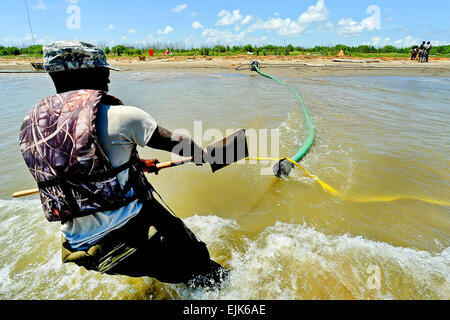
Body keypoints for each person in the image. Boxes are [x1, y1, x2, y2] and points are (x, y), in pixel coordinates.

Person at [19, 41, 227, 286]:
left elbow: (84, 163)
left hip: (82, 249)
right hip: (132, 236)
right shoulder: (123, 116)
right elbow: (180, 144)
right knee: (210, 273)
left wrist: (135, 164)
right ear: (85, 73)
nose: (107, 83)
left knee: (170, 272)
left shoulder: (32, 125)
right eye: (103, 74)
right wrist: (201, 154)